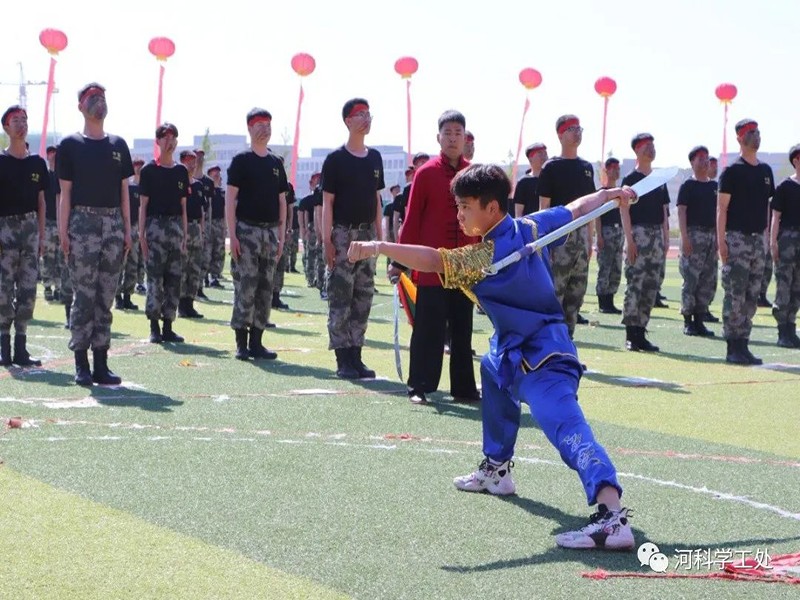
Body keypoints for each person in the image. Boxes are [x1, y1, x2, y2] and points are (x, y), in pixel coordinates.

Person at [348, 163, 636, 550]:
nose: (459, 214)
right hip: (510, 352)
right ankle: (497, 471)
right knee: (492, 368)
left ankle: (612, 516)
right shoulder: (528, 229)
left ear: (493, 207)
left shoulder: (493, 252)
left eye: (466, 206)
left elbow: (434, 260)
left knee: (567, 429)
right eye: (457, 206)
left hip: (547, 357)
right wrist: (608, 195)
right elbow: (576, 209)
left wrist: (379, 247)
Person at [391, 110, 480, 405]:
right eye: (448, 133)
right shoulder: (425, 173)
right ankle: (418, 385)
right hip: (432, 265)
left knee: (462, 328)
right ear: (438, 138)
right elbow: (413, 218)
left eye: (459, 133)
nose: (453, 139)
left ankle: (464, 388)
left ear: (465, 138)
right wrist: (400, 260)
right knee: (428, 327)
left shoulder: (474, 174)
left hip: (466, 264)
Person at [57, 83, 133, 385]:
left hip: (113, 225)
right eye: (92, 98)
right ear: (80, 106)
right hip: (82, 225)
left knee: (106, 296)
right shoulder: (70, 145)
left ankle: (101, 363)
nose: (99, 101)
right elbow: (65, 193)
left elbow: (124, 190)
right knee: (84, 297)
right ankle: (81, 364)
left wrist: (127, 229)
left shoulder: (118, 145)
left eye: (102, 97)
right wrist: (63, 232)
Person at [321, 98, 384, 379]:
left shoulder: (375, 158)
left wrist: (380, 236)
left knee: (363, 296)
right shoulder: (335, 159)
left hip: (367, 235)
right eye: (360, 115)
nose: (366, 119)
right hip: (343, 233)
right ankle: (342, 358)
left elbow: (377, 198)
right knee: (341, 296)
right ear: (347, 121)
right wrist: (327, 240)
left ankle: (356, 355)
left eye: (368, 114)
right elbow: (328, 203)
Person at [226, 107, 287, 360]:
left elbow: (282, 201)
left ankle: (257, 342)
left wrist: (282, 236)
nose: (265, 128)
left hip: (270, 232)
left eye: (268, 123)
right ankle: (241, 341)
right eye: (260, 123)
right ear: (249, 128)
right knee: (245, 286)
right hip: (247, 231)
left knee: (265, 287)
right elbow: (230, 200)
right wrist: (233, 236)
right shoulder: (241, 160)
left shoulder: (275, 163)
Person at [718, 119, 775, 365]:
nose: (757, 136)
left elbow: (768, 209)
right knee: (735, 294)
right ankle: (733, 347)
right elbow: (721, 208)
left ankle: (744, 344)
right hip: (737, 239)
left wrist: (765, 239)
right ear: (740, 138)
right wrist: (721, 241)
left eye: (758, 132)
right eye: (751, 133)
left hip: (756, 240)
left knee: (752, 294)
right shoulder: (732, 171)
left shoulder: (765, 172)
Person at [538, 115, 596, 337]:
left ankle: (567, 344)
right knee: (554, 294)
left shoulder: (586, 167)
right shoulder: (551, 167)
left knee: (576, 293)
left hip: (581, 238)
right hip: (559, 237)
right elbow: (544, 208)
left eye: (579, 128)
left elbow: (591, 207)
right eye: (571, 129)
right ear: (560, 135)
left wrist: (590, 239)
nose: (577, 132)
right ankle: (548, 345)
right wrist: (546, 243)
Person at [0, 105, 46, 367]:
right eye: (15, 120)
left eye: (24, 119)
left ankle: (21, 347)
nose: (21, 123)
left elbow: (41, 202)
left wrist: (40, 235)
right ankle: (4, 346)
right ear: (6, 127)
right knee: (4, 289)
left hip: (29, 229)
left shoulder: (37, 163)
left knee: (28, 289)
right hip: (4, 228)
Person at [139, 123, 188, 344]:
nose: (170, 142)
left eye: (173, 138)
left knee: (174, 279)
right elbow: (143, 205)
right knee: (155, 279)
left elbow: (183, 206)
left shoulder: (181, 171)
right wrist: (141, 235)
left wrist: (185, 235)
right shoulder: (149, 171)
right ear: (157, 141)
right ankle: (154, 326)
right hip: (155, 227)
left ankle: (168, 324)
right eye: (165, 138)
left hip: (176, 228)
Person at [620, 133, 669, 352]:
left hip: (656, 235)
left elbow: (664, 211)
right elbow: (625, 212)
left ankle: (642, 331)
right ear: (637, 150)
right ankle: (631, 334)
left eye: (653, 145)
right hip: (638, 235)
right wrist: (629, 240)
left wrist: (665, 238)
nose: (651, 149)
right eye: (647, 146)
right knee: (635, 284)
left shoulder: (658, 179)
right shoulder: (630, 180)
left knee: (651, 285)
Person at [677, 146, 717, 337]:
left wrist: (718, 237)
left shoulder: (714, 186)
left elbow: (718, 214)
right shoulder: (688, 186)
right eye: (700, 158)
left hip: (711, 236)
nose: (704, 161)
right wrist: (684, 238)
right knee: (691, 280)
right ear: (692, 162)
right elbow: (682, 211)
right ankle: (688, 320)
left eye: (706, 158)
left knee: (707, 280)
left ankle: (700, 319)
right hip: (693, 235)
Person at [769, 144, 800, 348]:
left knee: (797, 287)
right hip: (787, 239)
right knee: (784, 285)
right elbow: (775, 217)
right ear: (796, 161)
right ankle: (782, 330)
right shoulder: (784, 187)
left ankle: (791, 326)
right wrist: (773, 243)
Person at [177, 150, 206, 319]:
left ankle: (190, 303)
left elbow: (201, 210)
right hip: (183, 228)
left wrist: (201, 230)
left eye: (194, 162)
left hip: (196, 228)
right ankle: (181, 305)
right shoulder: (177, 183)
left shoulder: (198, 185)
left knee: (195, 268)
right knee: (183, 267)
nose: (192, 165)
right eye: (189, 161)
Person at [595, 157, 624, 314]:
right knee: (605, 267)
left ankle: (610, 300)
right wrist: (598, 235)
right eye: (612, 167)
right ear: (606, 170)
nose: (616, 171)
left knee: (616, 268)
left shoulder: (620, 193)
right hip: (606, 231)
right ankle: (603, 302)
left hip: (619, 232)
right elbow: (597, 217)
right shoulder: (602, 193)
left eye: (618, 168)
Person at [115, 157, 144, 311]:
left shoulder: (143, 188)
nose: (139, 168)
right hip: (124, 227)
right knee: (121, 264)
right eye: (136, 165)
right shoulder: (128, 186)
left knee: (133, 264)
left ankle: (128, 296)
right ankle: (118, 297)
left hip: (136, 228)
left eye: (141, 166)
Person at [41, 145, 61, 303]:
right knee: (48, 256)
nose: (52, 156)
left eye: (55, 154)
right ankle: (47, 286)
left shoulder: (61, 177)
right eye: (50, 154)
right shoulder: (45, 177)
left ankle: (59, 287)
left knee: (61, 258)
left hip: (60, 222)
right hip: (47, 221)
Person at [205, 165, 226, 288]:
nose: (217, 176)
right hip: (209, 223)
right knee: (207, 251)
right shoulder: (208, 190)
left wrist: (225, 227)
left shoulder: (222, 192)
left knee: (218, 251)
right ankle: (205, 277)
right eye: (214, 174)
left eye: (218, 174)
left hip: (219, 223)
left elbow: (224, 209)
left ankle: (215, 276)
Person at [513, 143, 547, 217]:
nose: (544, 157)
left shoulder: (551, 179)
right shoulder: (523, 182)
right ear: (530, 158)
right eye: (540, 154)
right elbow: (518, 213)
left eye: (545, 154)